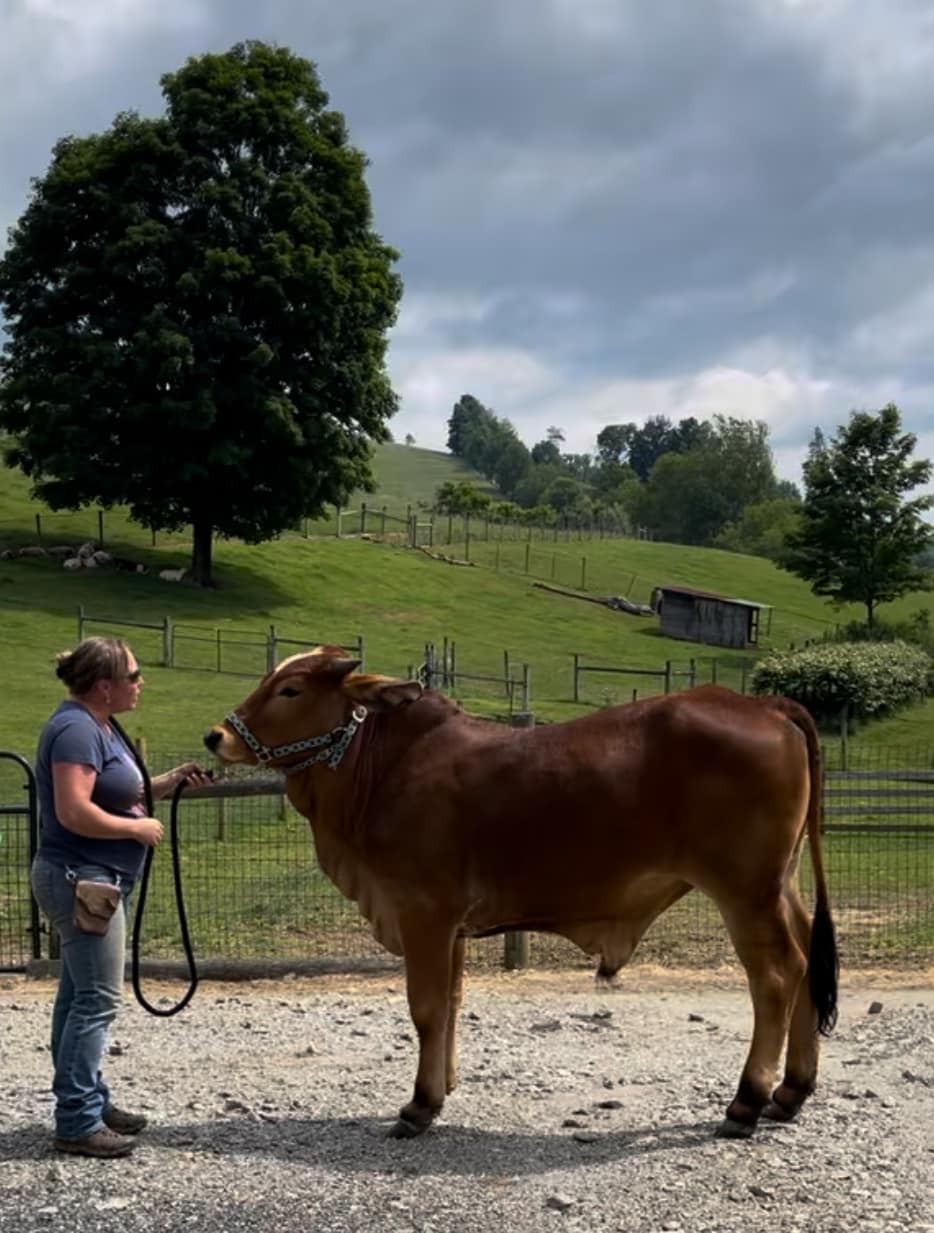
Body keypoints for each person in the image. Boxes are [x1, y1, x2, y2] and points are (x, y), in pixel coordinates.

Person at [31, 636, 211, 1158]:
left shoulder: (97, 726)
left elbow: (113, 792)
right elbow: (74, 812)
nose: (140, 683)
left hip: (93, 877)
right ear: (105, 686)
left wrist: (168, 781)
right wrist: (136, 832)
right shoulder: (75, 731)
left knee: (77, 996)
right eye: (133, 676)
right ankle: (78, 1120)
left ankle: (87, 1100)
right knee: (96, 1000)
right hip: (81, 878)